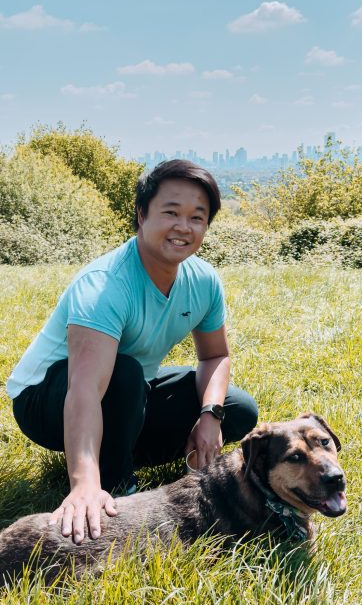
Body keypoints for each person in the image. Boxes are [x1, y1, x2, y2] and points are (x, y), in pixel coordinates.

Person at [6, 159, 258, 545]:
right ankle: (112, 484)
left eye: (197, 217)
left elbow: (214, 357)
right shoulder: (106, 285)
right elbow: (86, 389)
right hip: (46, 399)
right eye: (171, 212)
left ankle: (114, 447)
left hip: (127, 388)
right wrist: (83, 484)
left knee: (238, 409)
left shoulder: (203, 281)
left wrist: (210, 416)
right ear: (141, 215)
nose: (183, 227)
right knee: (123, 375)